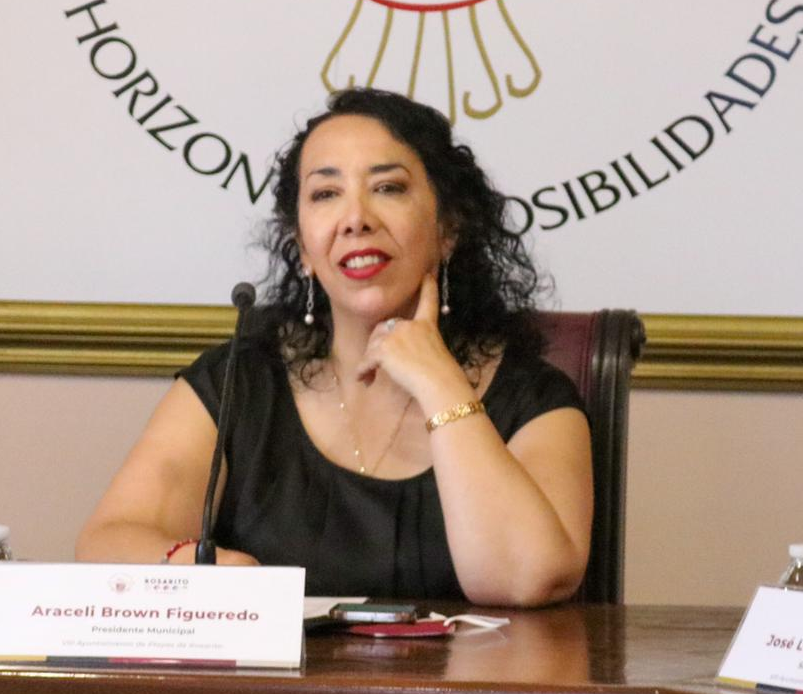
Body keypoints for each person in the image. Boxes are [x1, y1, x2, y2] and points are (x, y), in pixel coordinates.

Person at [76, 88, 593, 606]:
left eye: (388, 188)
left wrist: (440, 383)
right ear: (302, 247)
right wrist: (190, 566)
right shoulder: (238, 382)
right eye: (326, 194)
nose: (355, 219)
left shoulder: (535, 398)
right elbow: (106, 542)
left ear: (447, 230)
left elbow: (525, 578)